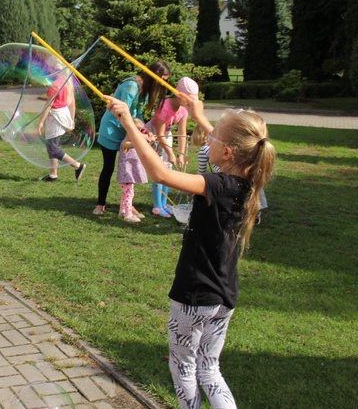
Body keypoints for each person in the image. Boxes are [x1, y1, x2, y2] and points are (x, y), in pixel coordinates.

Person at [106, 95, 276, 409]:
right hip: (224, 296)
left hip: (195, 296)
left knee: (183, 366)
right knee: (209, 369)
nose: (206, 138)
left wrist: (129, 122)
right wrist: (199, 115)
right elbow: (236, 144)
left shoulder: (218, 185)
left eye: (212, 137)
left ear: (226, 152)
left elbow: (161, 175)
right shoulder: (249, 183)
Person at [94, 60, 171, 216]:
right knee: (108, 168)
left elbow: (136, 115)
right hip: (111, 130)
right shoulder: (131, 86)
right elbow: (121, 114)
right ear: (154, 75)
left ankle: (128, 205)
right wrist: (139, 135)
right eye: (162, 80)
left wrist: (144, 130)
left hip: (127, 132)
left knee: (130, 170)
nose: (163, 85)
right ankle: (100, 204)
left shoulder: (145, 89)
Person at [147, 77, 200, 218]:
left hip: (166, 136)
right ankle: (157, 206)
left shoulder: (183, 109)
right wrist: (170, 153)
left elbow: (182, 133)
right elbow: (159, 133)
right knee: (159, 168)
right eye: (187, 98)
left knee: (168, 169)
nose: (188, 102)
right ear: (177, 93)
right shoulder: (164, 106)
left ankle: (164, 204)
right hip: (153, 136)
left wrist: (181, 154)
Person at [37, 72, 86, 182]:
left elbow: (49, 105)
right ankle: (53, 175)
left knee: (53, 147)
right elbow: (72, 102)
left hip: (55, 117)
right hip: (63, 115)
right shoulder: (67, 83)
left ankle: (77, 165)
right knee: (51, 145)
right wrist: (71, 119)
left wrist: (41, 122)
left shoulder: (55, 86)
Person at [117, 118, 154, 223]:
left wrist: (148, 138)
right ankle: (128, 215)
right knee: (129, 194)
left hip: (129, 174)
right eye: (138, 131)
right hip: (126, 175)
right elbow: (137, 144)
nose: (140, 133)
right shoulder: (126, 143)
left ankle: (122, 211)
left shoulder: (132, 142)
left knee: (126, 193)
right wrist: (147, 139)